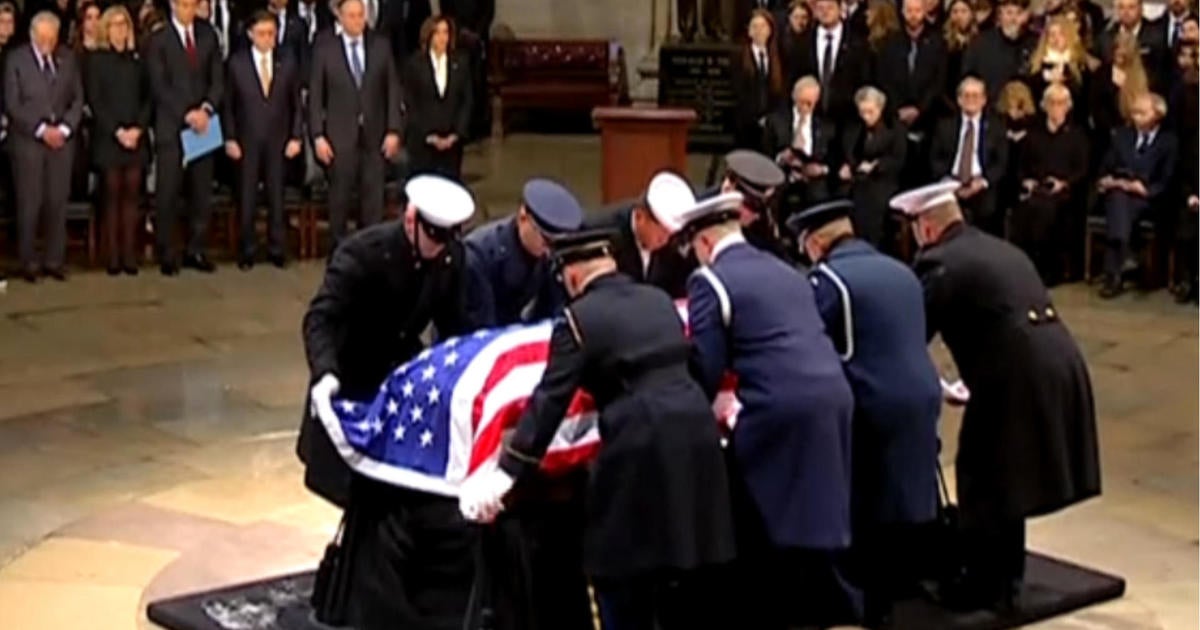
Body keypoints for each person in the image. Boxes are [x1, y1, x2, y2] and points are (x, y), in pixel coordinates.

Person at [459, 226, 736, 630]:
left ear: (571, 276)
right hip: (696, 433)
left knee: (617, 569)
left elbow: (550, 400)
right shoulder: (657, 300)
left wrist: (506, 472)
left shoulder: (578, 318)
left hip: (640, 442)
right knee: (690, 567)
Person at [892, 180, 1100, 611]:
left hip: (1015, 374)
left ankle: (984, 585)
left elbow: (910, 334)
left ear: (926, 228)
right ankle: (1006, 577)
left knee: (982, 471)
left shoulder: (939, 262)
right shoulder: (998, 247)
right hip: (1059, 361)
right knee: (1009, 473)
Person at [676, 190, 859, 629]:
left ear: (702, 244)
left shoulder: (710, 282)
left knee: (761, 511)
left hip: (778, 407)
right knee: (817, 507)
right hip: (834, 395)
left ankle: (771, 609)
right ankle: (828, 606)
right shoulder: (788, 271)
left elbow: (707, 364)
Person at [300, 175, 476, 630]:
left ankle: (383, 590)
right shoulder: (362, 254)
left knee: (393, 496)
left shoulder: (449, 258)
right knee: (361, 496)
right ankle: (356, 591)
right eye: (434, 235)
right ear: (411, 218)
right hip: (351, 380)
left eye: (448, 237)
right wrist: (324, 374)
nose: (440, 247)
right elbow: (321, 318)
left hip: (399, 387)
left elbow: (454, 327)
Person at [785, 198, 940, 628]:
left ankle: (864, 605)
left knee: (863, 507)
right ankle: (893, 596)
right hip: (922, 395)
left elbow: (811, 341)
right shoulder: (901, 270)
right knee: (902, 500)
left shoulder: (830, 279)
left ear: (816, 243)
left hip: (872, 404)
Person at [308, 0, 401, 254]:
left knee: (373, 200)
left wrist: (394, 130)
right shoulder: (325, 48)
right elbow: (315, 96)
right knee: (339, 200)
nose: (357, 21)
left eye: (361, 15)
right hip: (339, 138)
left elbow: (392, 90)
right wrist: (317, 136)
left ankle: (369, 252)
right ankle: (339, 253)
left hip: (374, 137)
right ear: (340, 17)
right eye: (351, 16)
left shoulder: (380, 45)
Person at [4, 10, 83, 283]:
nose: (48, 43)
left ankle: (54, 260)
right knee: (29, 203)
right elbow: (13, 103)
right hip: (28, 143)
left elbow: (77, 98)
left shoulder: (68, 59)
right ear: (32, 35)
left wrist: (64, 128)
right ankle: (28, 261)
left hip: (61, 143)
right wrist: (40, 130)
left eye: (52, 37)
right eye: (43, 38)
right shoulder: (16, 60)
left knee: (57, 202)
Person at [145, 0, 223, 275]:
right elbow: (158, 84)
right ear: (173, 5)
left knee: (201, 191)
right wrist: (186, 113)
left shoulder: (208, 34)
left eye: (194, 4)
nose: (189, 9)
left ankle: (196, 249)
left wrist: (206, 109)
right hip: (173, 125)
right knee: (168, 191)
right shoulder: (158, 39)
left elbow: (217, 79)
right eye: (185, 4)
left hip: (203, 125)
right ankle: (167, 251)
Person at [222, 9, 303, 269]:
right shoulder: (237, 63)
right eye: (261, 33)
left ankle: (277, 247)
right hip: (247, 141)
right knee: (247, 197)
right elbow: (229, 106)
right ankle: (247, 250)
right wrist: (230, 138)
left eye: (271, 33)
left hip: (279, 140)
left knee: (276, 196)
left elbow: (296, 105)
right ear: (250, 34)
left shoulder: (287, 61)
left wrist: (296, 136)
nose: (267, 38)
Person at [464, 178, 583, 329]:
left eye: (555, 244)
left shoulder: (547, 253)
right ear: (523, 218)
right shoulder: (480, 255)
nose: (548, 250)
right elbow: (480, 325)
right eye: (545, 240)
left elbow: (552, 309)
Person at [86, 4, 149, 276]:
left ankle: (129, 254)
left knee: (132, 195)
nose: (120, 31)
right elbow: (96, 101)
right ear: (105, 29)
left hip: (136, 136)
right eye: (114, 25)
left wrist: (138, 129)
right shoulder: (96, 61)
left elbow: (149, 97)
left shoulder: (138, 60)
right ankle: (111, 254)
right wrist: (117, 131)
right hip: (109, 138)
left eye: (124, 25)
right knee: (111, 195)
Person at [1095, 92, 1178, 299]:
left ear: (1157, 114)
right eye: (1134, 113)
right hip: (1120, 191)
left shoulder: (1168, 142)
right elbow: (1105, 167)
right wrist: (1108, 180)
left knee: (1121, 206)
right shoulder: (1122, 135)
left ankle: (1115, 270)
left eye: (1142, 113)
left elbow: (1168, 179)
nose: (1136, 117)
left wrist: (1145, 189)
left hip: (1150, 198)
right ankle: (1123, 257)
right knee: (1118, 199)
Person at [1013, 83, 1088, 284]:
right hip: (1035, 189)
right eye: (1052, 103)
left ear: (1068, 106)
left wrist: (1064, 183)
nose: (1056, 107)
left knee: (1047, 210)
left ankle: (1048, 269)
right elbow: (1021, 166)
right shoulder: (1033, 135)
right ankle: (1025, 267)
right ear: (1044, 105)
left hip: (1064, 193)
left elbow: (1082, 170)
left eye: (1061, 103)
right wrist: (1026, 181)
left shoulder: (1077, 136)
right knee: (1026, 209)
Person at [588, 170, 698, 299]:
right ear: (640, 217)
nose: (665, 241)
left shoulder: (674, 243)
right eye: (661, 234)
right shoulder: (602, 233)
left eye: (670, 234)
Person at [876, 0, 946, 187]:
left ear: (924, 12)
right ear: (902, 12)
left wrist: (920, 109)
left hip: (928, 119)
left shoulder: (938, 43)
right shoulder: (889, 43)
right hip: (896, 119)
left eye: (917, 10)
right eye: (909, 10)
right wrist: (898, 109)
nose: (913, 15)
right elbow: (884, 79)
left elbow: (939, 81)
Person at [929, 76, 1008, 235]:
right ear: (958, 100)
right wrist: (949, 182)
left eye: (976, 96)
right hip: (950, 186)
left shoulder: (996, 127)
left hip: (981, 187)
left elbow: (1001, 163)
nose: (971, 100)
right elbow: (934, 159)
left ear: (984, 100)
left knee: (989, 210)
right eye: (966, 95)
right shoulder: (945, 126)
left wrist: (983, 181)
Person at [836, 86, 906, 248]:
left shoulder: (895, 129)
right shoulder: (854, 127)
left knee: (869, 199)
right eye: (862, 112)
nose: (866, 117)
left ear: (880, 108)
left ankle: (870, 244)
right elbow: (848, 152)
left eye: (870, 112)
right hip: (856, 178)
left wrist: (876, 166)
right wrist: (848, 166)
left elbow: (898, 159)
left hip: (883, 179)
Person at [403, 14, 471, 180]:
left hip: (452, 145)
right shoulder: (415, 64)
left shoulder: (460, 63)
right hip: (423, 143)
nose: (442, 38)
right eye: (438, 33)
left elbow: (467, 101)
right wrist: (428, 135)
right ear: (429, 35)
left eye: (446, 32)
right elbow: (410, 102)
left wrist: (455, 135)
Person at [765, 76, 837, 210]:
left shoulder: (827, 126)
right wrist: (781, 158)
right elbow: (765, 154)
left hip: (814, 183)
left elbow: (834, 160)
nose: (806, 107)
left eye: (811, 103)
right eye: (803, 102)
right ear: (794, 97)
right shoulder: (776, 121)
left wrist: (822, 169)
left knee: (820, 197)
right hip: (784, 177)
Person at [796, 0, 870, 124]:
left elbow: (864, 80)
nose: (825, 12)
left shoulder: (857, 43)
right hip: (812, 119)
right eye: (821, 8)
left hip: (848, 121)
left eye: (830, 7)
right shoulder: (803, 42)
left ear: (840, 9)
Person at [960, 0, 1036, 103]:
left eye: (1018, 13)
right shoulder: (981, 43)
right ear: (1000, 15)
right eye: (1009, 13)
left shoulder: (1033, 43)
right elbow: (968, 76)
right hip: (989, 108)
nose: (1013, 19)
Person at [733, 9, 786, 151]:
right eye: (754, 27)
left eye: (763, 27)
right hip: (746, 125)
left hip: (772, 124)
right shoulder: (738, 57)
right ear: (749, 32)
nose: (759, 31)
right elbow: (738, 92)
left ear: (770, 30)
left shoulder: (778, 57)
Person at [1100, 0, 1167, 92]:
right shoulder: (1106, 36)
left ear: (1141, 9)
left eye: (1131, 7)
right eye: (1121, 7)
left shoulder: (1157, 36)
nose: (1126, 12)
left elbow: (1161, 71)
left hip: (1147, 91)